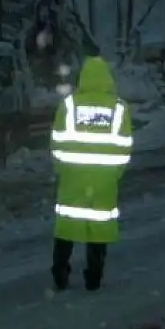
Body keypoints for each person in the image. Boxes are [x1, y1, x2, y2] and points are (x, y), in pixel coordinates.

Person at [50, 56, 134, 291]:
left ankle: (60, 273)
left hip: (72, 178)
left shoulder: (69, 105)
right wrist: (114, 173)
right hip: (104, 181)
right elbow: (125, 146)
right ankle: (94, 277)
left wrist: (63, 170)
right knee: (98, 230)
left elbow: (56, 141)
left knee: (66, 226)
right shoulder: (118, 108)